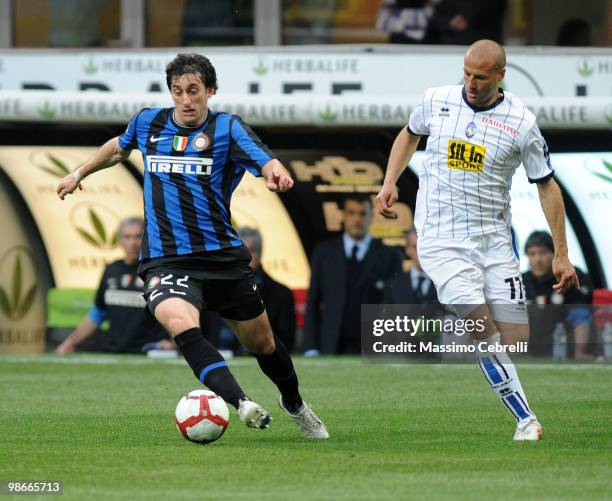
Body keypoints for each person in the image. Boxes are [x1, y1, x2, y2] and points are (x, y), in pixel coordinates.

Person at [56, 53, 328, 439]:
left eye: (194, 91)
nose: (185, 99)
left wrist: (276, 173)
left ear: (210, 91)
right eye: (178, 91)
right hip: (166, 259)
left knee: (263, 344)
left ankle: (295, 404)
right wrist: (78, 171)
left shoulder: (228, 130)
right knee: (181, 322)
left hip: (221, 258)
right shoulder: (148, 122)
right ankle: (240, 402)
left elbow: (265, 161)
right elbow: (118, 147)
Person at [375, 39, 580, 441]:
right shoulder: (437, 100)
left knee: (516, 338)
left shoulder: (521, 123)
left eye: (480, 77)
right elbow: (409, 134)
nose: (470, 82)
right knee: (482, 330)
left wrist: (562, 253)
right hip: (441, 241)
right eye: (466, 73)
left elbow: (546, 185)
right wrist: (389, 182)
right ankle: (526, 419)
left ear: (501, 76)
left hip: (494, 241)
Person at [55, 218, 171, 354]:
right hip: (113, 352)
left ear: (147, 239)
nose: (132, 243)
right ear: (119, 240)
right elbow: (98, 313)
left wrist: (176, 343)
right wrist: (69, 343)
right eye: (127, 237)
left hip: (150, 352)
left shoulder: (157, 271)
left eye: (138, 237)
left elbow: (173, 311)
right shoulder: (111, 270)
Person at [304, 196, 403, 355]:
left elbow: (397, 306)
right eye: (351, 213)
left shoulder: (390, 256)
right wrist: (310, 346)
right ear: (343, 216)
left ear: (371, 217)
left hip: (376, 345)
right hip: (331, 344)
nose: (357, 219)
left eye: (363, 213)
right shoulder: (324, 253)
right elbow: (313, 301)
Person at [202, 227, 296, 354]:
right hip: (216, 359)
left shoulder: (282, 294)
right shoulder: (211, 289)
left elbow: (286, 340)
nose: (245, 256)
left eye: (250, 250)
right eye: (239, 250)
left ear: (260, 253)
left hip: (260, 359)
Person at [522, 231, 594, 359]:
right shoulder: (521, 281)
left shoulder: (571, 275)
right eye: (532, 254)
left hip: (565, 337)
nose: (538, 259)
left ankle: (580, 353)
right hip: (532, 340)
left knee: (581, 311)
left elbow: (584, 303)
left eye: (543, 253)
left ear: (554, 255)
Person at [383, 226, 438, 305]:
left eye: (425, 248)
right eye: (416, 247)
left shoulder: (447, 286)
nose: (421, 254)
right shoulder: (393, 286)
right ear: (407, 249)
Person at [429, 0, 507, 45]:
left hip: (485, 45)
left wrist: (464, 19)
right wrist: (449, 23)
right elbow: (436, 17)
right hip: (452, 47)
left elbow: (486, 11)